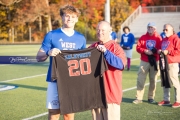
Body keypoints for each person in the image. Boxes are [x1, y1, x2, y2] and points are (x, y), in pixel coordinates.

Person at [36, 5, 86, 120]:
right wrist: (49, 52)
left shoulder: (81, 38)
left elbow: (83, 60)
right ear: (62, 17)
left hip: (72, 81)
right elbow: (39, 57)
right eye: (67, 16)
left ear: (77, 19)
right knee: (54, 112)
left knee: (69, 114)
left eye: (73, 16)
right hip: (55, 79)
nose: (70, 19)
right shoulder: (52, 35)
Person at [89, 21, 127, 120]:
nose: (100, 32)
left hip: (110, 95)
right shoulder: (92, 47)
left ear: (110, 31)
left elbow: (121, 64)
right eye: (98, 30)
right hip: (95, 96)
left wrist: (106, 52)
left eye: (103, 30)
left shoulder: (116, 47)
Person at [133, 22, 162, 104]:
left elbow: (160, 49)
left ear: (155, 29)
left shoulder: (158, 38)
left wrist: (154, 51)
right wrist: (145, 51)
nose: (150, 29)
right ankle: (139, 98)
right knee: (140, 79)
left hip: (154, 61)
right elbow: (138, 47)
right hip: (144, 61)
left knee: (153, 80)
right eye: (148, 27)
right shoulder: (143, 37)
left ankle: (151, 97)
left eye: (151, 27)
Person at [157, 24, 180, 108]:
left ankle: (178, 100)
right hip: (164, 63)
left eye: (166, 30)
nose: (164, 31)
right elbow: (161, 48)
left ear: (172, 30)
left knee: (175, 82)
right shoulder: (164, 39)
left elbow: (179, 51)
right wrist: (159, 51)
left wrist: (169, 52)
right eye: (164, 30)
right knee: (165, 81)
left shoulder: (176, 38)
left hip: (172, 63)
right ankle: (166, 99)